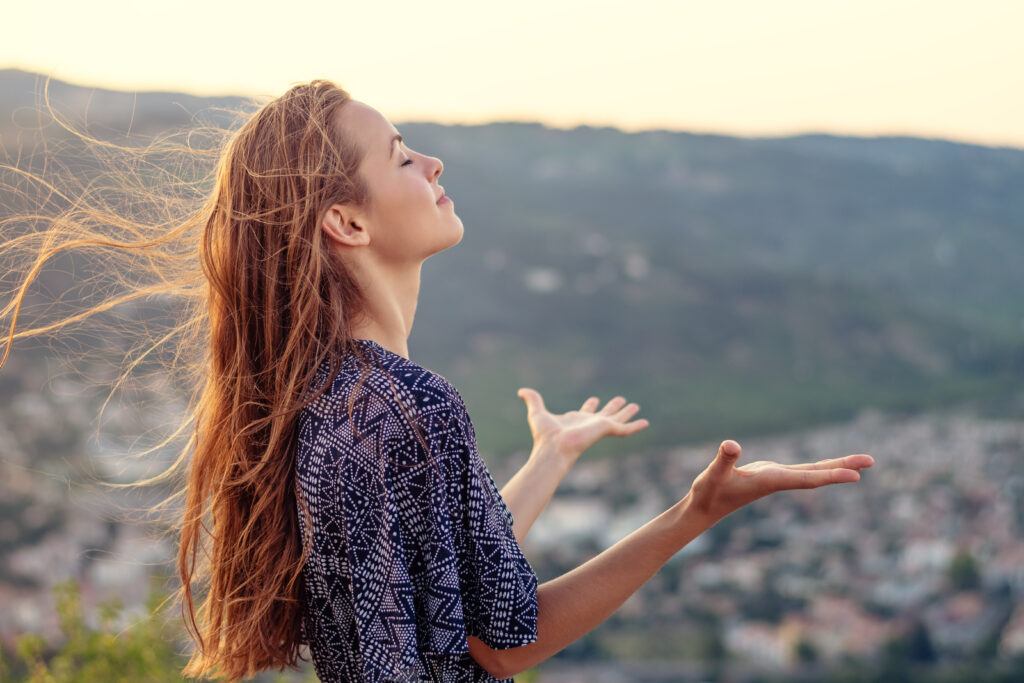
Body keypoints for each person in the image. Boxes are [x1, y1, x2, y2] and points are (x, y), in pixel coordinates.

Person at [0, 79, 875, 682]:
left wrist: (548, 460)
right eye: (402, 156)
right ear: (346, 218)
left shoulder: (330, 401)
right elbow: (503, 641)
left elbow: (444, 593)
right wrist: (697, 512)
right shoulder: (411, 407)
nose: (434, 166)